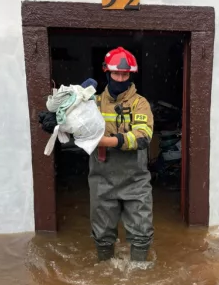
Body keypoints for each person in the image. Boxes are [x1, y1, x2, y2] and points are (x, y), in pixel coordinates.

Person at [38, 47, 155, 262]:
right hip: (102, 179)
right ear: (107, 72)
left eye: (125, 74)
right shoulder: (93, 102)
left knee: (141, 233)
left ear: (131, 75)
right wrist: (59, 122)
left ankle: (140, 273)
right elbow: (78, 128)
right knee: (102, 235)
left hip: (135, 181)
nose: (120, 78)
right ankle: (105, 271)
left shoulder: (140, 103)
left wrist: (102, 141)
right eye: (116, 73)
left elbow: (143, 137)